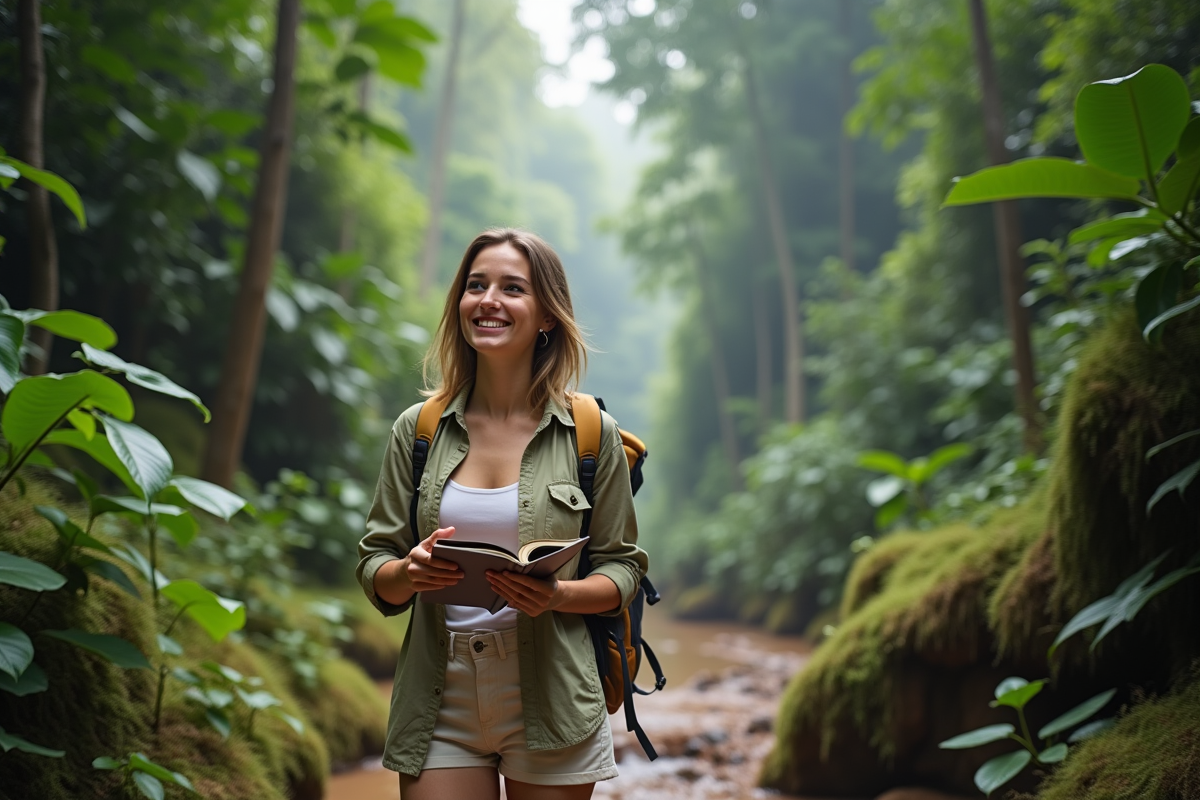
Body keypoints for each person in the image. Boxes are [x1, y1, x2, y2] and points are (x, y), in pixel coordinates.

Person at [357, 228, 648, 800]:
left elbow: (623, 570)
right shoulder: (417, 430)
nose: (488, 299)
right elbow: (375, 566)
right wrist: (407, 574)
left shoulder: (592, 433)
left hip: (554, 691)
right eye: (475, 285)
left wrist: (559, 595)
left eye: (512, 288)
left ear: (545, 315)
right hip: (439, 692)